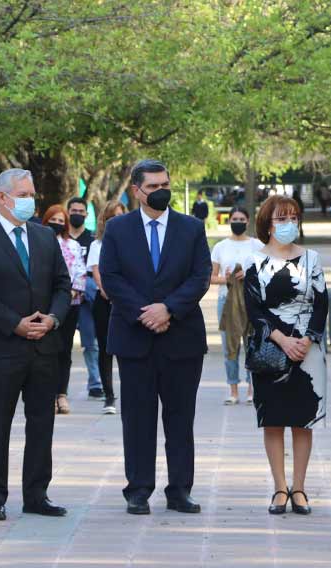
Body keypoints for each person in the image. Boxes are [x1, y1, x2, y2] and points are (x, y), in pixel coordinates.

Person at [99, 159, 211, 516]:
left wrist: (168, 309)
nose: (161, 191)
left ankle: (180, 489)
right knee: (137, 417)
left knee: (180, 417)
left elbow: (200, 275)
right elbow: (111, 276)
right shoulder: (117, 228)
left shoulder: (191, 228)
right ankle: (138, 489)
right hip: (134, 337)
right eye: (153, 186)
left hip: (181, 337)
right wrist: (144, 313)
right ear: (136, 191)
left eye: (166, 184)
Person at [0, 168, 71, 521]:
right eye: (23, 194)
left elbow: (62, 286)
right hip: (2, 347)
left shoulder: (44, 237)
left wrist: (52, 319)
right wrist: (15, 324)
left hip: (44, 346)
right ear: (3, 198)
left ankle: (37, 494)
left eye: (32, 193)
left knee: (42, 422)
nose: (30, 201)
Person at [244, 195, 328, 515]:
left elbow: (322, 304)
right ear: (267, 223)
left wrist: (307, 340)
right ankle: (280, 488)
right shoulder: (254, 262)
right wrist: (282, 339)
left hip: (308, 351)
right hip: (271, 349)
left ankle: (300, 488)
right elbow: (255, 309)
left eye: (293, 217)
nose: (288, 223)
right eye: (281, 218)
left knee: (303, 420)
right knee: (274, 421)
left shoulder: (312, 258)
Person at [210, 206, 263, 405]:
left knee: (252, 345)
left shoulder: (257, 245)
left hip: (251, 301)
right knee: (229, 347)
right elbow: (211, 278)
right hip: (227, 301)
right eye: (234, 218)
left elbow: (266, 274)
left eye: (241, 218)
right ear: (229, 221)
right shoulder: (220, 247)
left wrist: (248, 275)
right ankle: (233, 389)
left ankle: (252, 389)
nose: (238, 222)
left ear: (248, 221)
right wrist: (227, 278)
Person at [43, 204, 88, 415]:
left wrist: (69, 293)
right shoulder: (38, 242)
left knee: (64, 351)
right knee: (47, 351)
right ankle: (47, 395)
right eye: (54, 220)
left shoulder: (73, 245)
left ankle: (62, 394)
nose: (57, 225)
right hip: (44, 305)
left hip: (70, 304)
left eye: (62, 222)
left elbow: (80, 271)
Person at [86, 200, 127, 415]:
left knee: (128, 348)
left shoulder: (134, 242)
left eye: (119, 216)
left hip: (127, 303)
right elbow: (97, 272)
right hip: (105, 301)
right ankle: (109, 395)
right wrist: (108, 291)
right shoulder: (97, 245)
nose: (115, 222)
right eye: (111, 218)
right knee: (105, 349)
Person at [67, 197, 105, 402]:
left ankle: (95, 383)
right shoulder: (60, 239)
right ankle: (58, 387)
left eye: (81, 211)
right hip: (64, 298)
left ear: (87, 215)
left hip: (87, 298)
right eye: (74, 210)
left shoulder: (92, 240)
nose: (77, 214)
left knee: (91, 344)